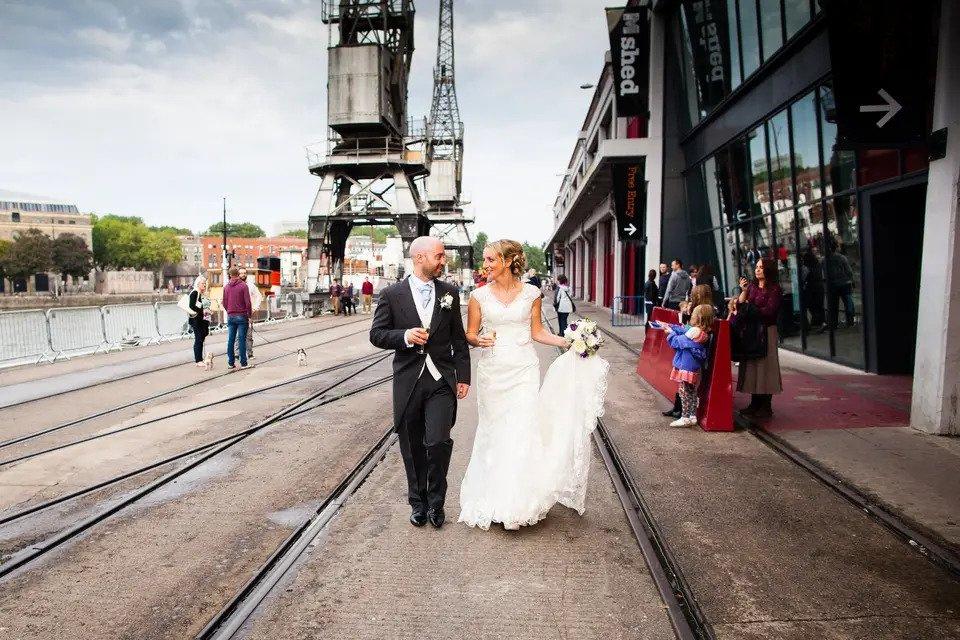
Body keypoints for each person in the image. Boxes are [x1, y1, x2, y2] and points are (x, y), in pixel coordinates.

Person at [458, 239, 609, 531]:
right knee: (495, 431)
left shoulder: (532, 294)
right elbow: (470, 334)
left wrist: (570, 341)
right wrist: (479, 340)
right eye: (485, 259)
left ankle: (518, 502)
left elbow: (537, 332)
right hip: (493, 371)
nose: (485, 264)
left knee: (521, 430)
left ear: (507, 261)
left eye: (490, 259)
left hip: (524, 370)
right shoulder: (478, 296)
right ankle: (494, 496)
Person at [369, 237, 471, 529]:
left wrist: (463, 376)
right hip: (408, 380)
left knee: (438, 442)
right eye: (438, 256)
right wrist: (404, 336)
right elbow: (376, 334)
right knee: (412, 445)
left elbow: (458, 339)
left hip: (441, 380)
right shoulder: (391, 295)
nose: (443, 261)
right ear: (419, 258)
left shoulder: (449, 292)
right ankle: (419, 502)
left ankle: (437, 503)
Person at [731, 258, 783, 418]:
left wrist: (750, 308)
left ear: (768, 270)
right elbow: (741, 304)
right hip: (753, 331)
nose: (757, 270)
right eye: (757, 267)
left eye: (761, 267)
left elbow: (770, 311)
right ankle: (754, 403)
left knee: (766, 366)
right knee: (753, 366)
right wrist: (744, 290)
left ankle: (766, 405)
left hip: (767, 331)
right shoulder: (752, 287)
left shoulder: (774, 289)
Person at [660, 304, 714, 427]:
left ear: (698, 317)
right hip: (694, 367)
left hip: (686, 366)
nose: (691, 315)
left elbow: (677, 342)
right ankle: (692, 416)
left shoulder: (695, 331)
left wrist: (670, 332)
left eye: (694, 313)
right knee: (692, 391)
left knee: (683, 391)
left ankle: (684, 417)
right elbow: (685, 331)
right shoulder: (703, 332)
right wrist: (673, 327)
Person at [223, 267, 252, 370]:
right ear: (238, 274)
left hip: (231, 316)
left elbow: (224, 303)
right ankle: (243, 363)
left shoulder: (226, 287)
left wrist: (229, 311)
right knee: (241, 339)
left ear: (230, 275)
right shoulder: (243, 286)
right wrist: (249, 315)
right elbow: (248, 302)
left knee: (231, 339)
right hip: (242, 316)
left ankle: (231, 363)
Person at [825, 242, 856, 328]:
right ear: (836, 248)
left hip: (832, 285)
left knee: (833, 305)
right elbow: (849, 271)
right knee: (848, 303)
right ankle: (850, 321)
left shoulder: (825, 259)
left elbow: (824, 273)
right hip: (844, 284)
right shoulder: (842, 258)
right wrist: (852, 281)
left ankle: (834, 323)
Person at [237, 267, 263, 359]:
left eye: (244, 273)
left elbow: (259, 296)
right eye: (241, 273)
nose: (243, 275)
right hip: (238, 313)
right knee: (238, 335)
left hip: (248, 313)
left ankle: (250, 353)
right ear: (238, 274)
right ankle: (237, 354)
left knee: (248, 335)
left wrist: (255, 308)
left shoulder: (251, 286)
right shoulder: (235, 285)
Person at [186, 275, 211, 367]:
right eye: (202, 283)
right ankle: (198, 360)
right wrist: (203, 311)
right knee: (199, 339)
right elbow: (192, 306)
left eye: (205, 283)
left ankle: (200, 359)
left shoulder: (202, 293)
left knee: (202, 337)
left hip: (203, 319)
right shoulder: (195, 293)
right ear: (198, 284)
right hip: (196, 320)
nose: (204, 285)